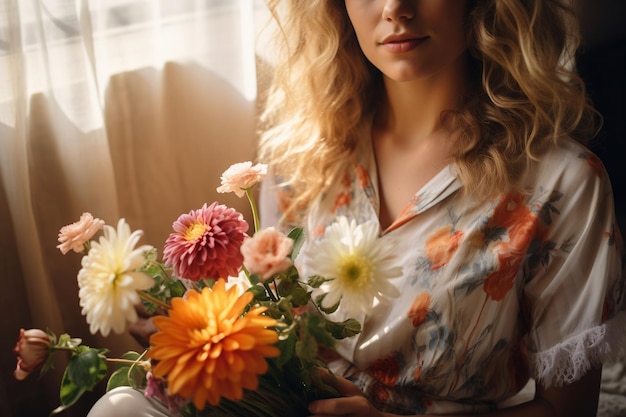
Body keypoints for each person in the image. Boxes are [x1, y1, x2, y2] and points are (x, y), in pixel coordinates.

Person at [88, 0, 625, 416]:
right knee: (120, 407)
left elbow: (566, 409)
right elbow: (273, 321)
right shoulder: (303, 152)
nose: (394, 6)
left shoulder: (562, 183)